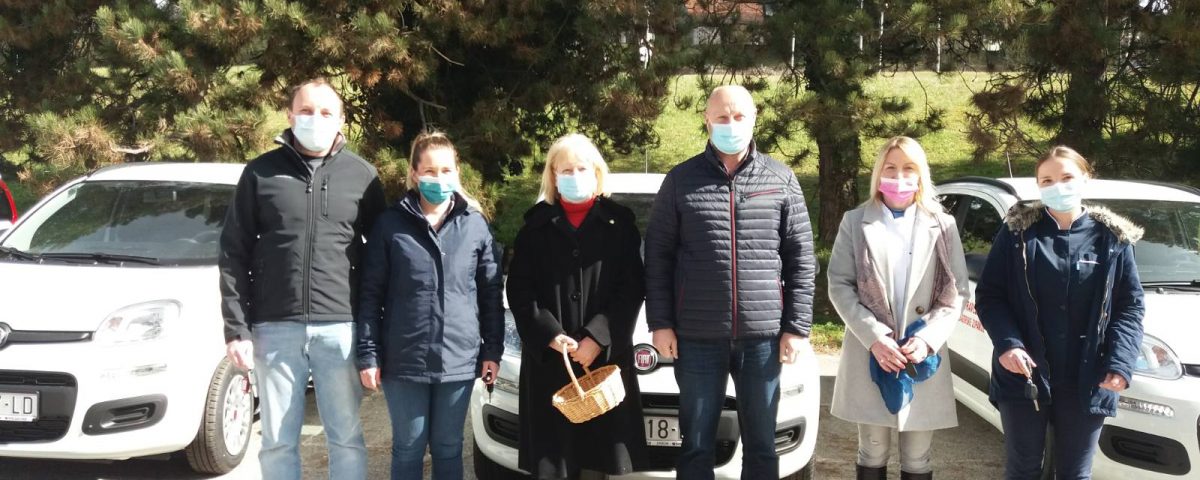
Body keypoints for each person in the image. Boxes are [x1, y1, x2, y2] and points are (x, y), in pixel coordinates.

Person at [643, 85, 817, 479]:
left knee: (762, 446)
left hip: (763, 338)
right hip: (697, 337)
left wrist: (796, 328)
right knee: (695, 446)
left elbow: (801, 259)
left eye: (739, 117)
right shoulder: (681, 180)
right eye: (722, 117)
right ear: (707, 120)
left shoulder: (781, 178)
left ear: (754, 119)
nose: (731, 124)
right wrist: (661, 323)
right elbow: (657, 257)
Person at [219, 78, 386, 480]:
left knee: (346, 439)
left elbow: (382, 260)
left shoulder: (363, 176)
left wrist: (374, 332)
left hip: (341, 328)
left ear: (341, 119)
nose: (316, 119)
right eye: (307, 111)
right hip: (274, 328)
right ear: (290, 116)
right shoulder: (260, 173)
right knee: (277, 441)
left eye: (326, 112)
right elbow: (233, 252)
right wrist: (236, 328)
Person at [975, 146, 1145, 479]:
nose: (1058, 186)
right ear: (1038, 186)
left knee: (1075, 473)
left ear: (1086, 178)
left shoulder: (1113, 239)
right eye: (1047, 180)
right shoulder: (1017, 234)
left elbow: (1129, 306)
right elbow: (991, 296)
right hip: (1025, 374)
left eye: (1067, 177)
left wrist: (1120, 362)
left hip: (1088, 376)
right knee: (1023, 469)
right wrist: (1009, 345)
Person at [355, 131, 504, 480]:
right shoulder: (389, 225)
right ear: (414, 173)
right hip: (404, 360)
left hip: (458, 359)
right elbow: (370, 294)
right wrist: (368, 354)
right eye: (430, 171)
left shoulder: (475, 225)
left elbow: (490, 294)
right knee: (408, 446)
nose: (439, 178)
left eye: (446, 170)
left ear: (457, 173)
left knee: (449, 447)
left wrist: (492, 351)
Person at [826, 137, 970, 480]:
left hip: (921, 353)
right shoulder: (855, 221)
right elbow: (839, 284)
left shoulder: (943, 225)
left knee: (918, 459)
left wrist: (928, 340)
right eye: (890, 168)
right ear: (878, 173)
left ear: (921, 175)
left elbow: (956, 292)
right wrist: (875, 337)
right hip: (873, 351)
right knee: (872, 451)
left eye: (908, 168)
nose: (899, 176)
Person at [506, 133, 648, 479]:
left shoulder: (620, 225)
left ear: (596, 172)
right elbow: (520, 290)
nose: (574, 175)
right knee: (553, 464)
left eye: (582, 168)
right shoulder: (534, 228)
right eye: (565, 169)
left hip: (602, 361)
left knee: (597, 461)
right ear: (553, 176)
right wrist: (550, 335)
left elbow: (631, 288)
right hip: (550, 363)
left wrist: (597, 336)